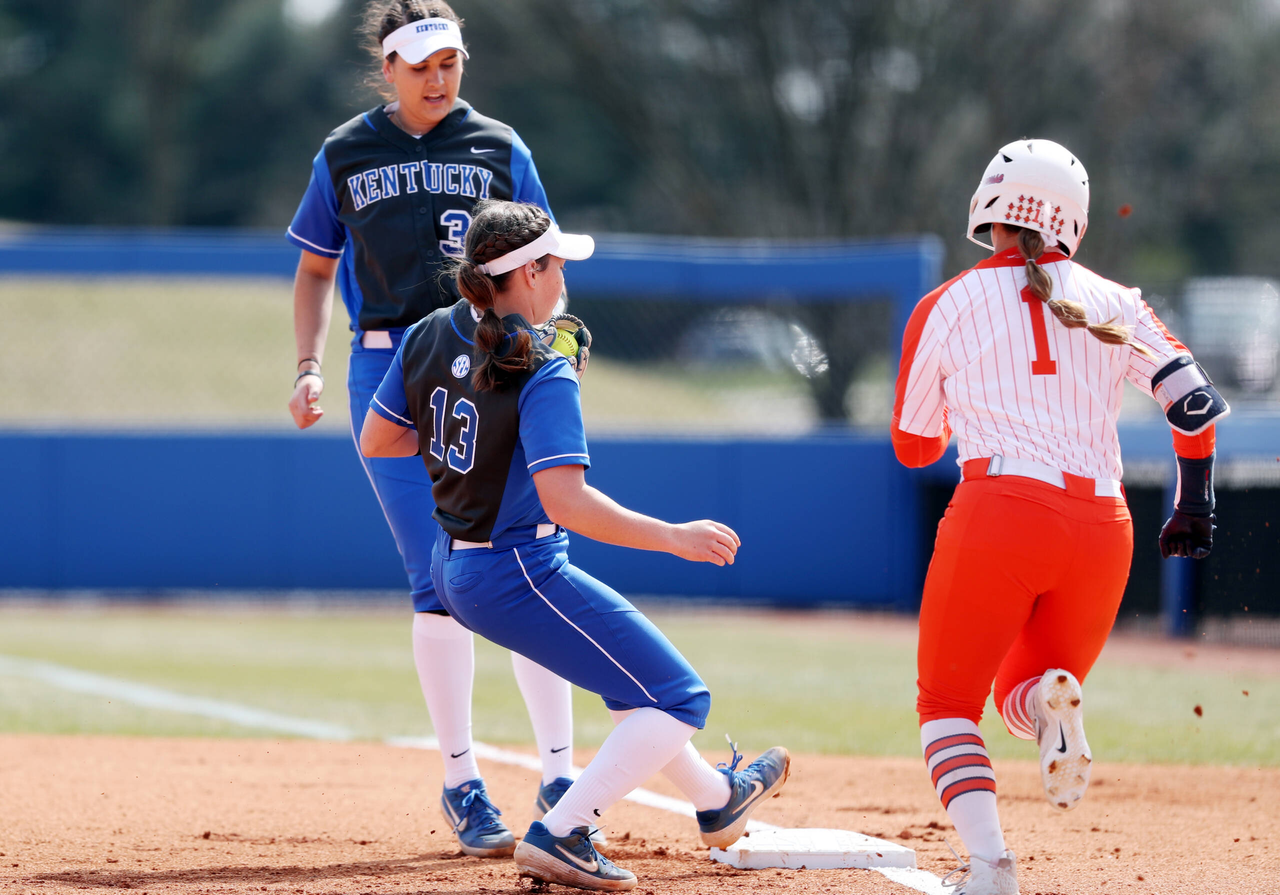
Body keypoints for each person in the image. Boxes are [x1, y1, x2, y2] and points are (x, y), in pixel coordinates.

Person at [360, 199, 791, 891]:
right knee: (681, 698)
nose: (563, 275)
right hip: (516, 567)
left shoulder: (428, 332)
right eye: (556, 263)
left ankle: (715, 796)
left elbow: (378, 439)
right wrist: (673, 537)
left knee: (632, 679)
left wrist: (474, 453)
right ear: (527, 272)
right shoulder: (542, 366)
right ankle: (563, 830)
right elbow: (568, 502)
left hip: (453, 564)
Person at [284, 0, 581, 858]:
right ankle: (462, 779)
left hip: (494, 355)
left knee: (530, 556)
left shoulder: (500, 145)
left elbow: (545, 255)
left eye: (451, 61)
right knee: (436, 575)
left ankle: (561, 773)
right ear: (389, 70)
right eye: (422, 66)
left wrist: (556, 336)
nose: (441, 78)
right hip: (390, 366)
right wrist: (307, 364)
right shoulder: (345, 152)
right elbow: (313, 268)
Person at [891, 139, 1227, 895]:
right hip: (1105, 525)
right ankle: (1050, 701)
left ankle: (990, 866)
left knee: (947, 704)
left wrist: (966, 407)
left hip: (1001, 508)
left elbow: (913, 448)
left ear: (991, 210)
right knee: (1027, 691)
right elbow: (1194, 399)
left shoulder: (945, 303)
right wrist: (1195, 501)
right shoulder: (1118, 300)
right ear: (1072, 219)